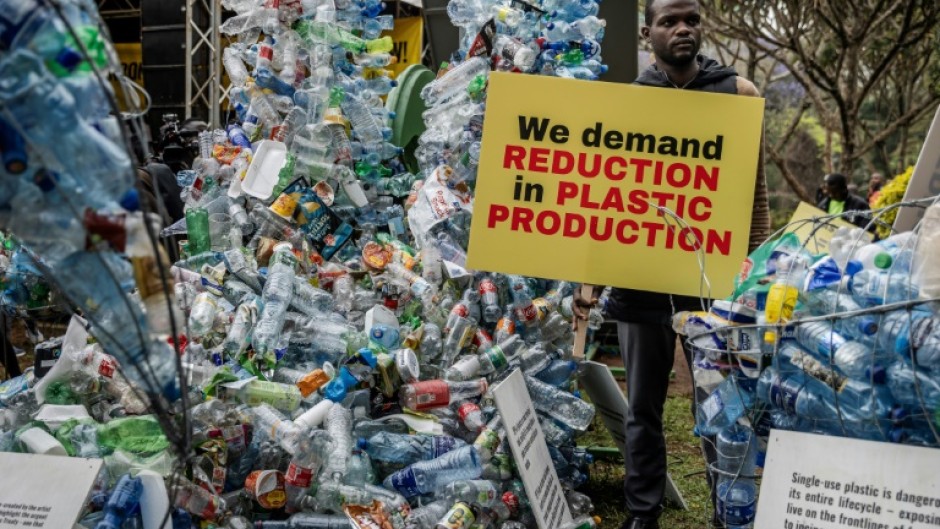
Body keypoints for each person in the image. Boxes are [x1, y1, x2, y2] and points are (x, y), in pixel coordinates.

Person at [572, 1, 770, 528]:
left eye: (692, 20)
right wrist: (590, 282)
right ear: (648, 33)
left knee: (723, 406)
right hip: (639, 282)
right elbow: (605, 199)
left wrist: (758, 270)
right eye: (669, 21)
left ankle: (729, 510)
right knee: (643, 410)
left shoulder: (739, 94)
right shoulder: (628, 103)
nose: (683, 29)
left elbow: (755, 195)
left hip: (712, 282)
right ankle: (643, 515)